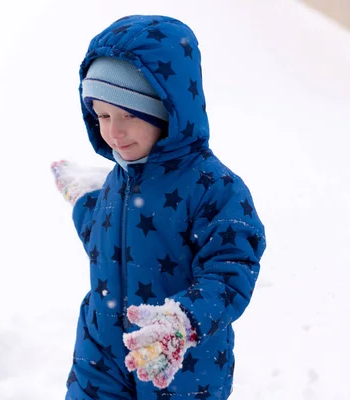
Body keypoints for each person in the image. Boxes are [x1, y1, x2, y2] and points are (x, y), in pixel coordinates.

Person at [51, 14, 266, 400]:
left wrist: (184, 321)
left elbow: (231, 269)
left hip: (182, 365)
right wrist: (85, 197)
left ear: (168, 111)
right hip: (100, 355)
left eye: (130, 115)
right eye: (102, 115)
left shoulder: (214, 188)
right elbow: (106, 240)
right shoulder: (119, 179)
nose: (114, 132)